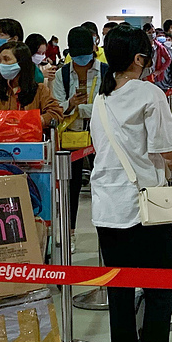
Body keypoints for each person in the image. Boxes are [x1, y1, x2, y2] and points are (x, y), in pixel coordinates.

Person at [90, 24, 172, 342]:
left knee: (119, 289)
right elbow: (168, 147)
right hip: (143, 207)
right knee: (160, 284)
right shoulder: (150, 93)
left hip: (107, 205)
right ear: (138, 59)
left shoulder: (101, 99)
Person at [51, 27, 107, 248]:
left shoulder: (106, 71)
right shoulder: (62, 74)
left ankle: (107, 234)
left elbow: (107, 106)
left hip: (101, 137)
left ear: (94, 49)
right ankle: (69, 234)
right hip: (71, 138)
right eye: (77, 56)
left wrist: (78, 108)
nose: (81, 61)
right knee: (70, 189)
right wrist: (71, 104)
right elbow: (57, 108)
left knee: (104, 184)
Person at [0, 42, 63, 128]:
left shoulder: (40, 90)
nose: (1, 65)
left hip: (31, 138)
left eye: (6, 59)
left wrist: (33, 121)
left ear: (21, 62)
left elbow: (56, 113)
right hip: (3, 138)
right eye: (0, 60)